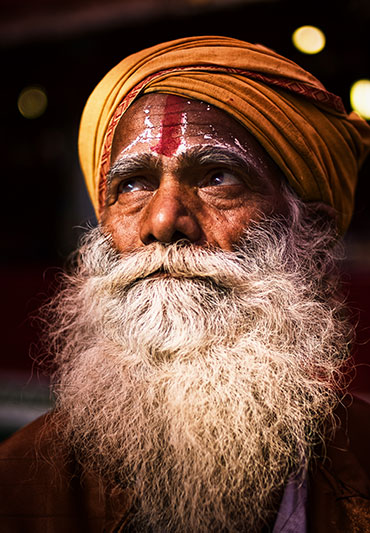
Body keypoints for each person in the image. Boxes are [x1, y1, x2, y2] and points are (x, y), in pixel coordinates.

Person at [1, 35, 370, 532]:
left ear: (315, 235)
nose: (164, 219)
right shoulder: (18, 487)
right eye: (131, 185)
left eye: (218, 178)